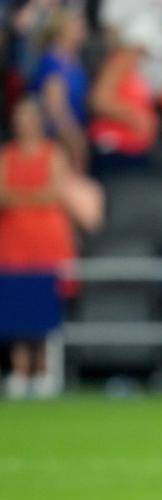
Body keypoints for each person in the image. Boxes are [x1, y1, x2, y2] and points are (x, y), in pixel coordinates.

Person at [0, 97, 75, 398]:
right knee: (16, 305)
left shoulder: (53, 153)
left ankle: (45, 370)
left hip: (47, 241)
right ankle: (19, 370)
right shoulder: (7, 155)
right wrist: (33, 198)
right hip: (14, 241)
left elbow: (55, 192)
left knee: (45, 306)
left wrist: (21, 199)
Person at [88, 17, 160, 174]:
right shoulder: (120, 61)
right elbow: (98, 100)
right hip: (115, 149)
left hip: (132, 150)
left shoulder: (133, 65)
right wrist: (134, 116)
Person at [30, 8, 89, 170]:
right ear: (61, 31)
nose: (82, 29)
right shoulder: (53, 62)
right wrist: (75, 142)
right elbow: (56, 110)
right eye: (76, 25)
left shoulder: (74, 59)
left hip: (74, 132)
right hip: (59, 141)